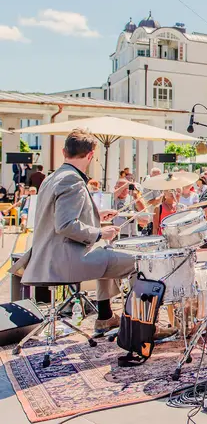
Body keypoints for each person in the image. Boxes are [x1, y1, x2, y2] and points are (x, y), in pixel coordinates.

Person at [11, 130, 140, 335]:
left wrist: (97, 215)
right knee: (138, 262)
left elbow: (58, 214)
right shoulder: (72, 180)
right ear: (90, 155)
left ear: (64, 152)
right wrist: (100, 233)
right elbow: (65, 225)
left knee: (105, 252)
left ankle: (105, 316)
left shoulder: (52, 177)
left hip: (48, 256)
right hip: (64, 260)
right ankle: (139, 327)